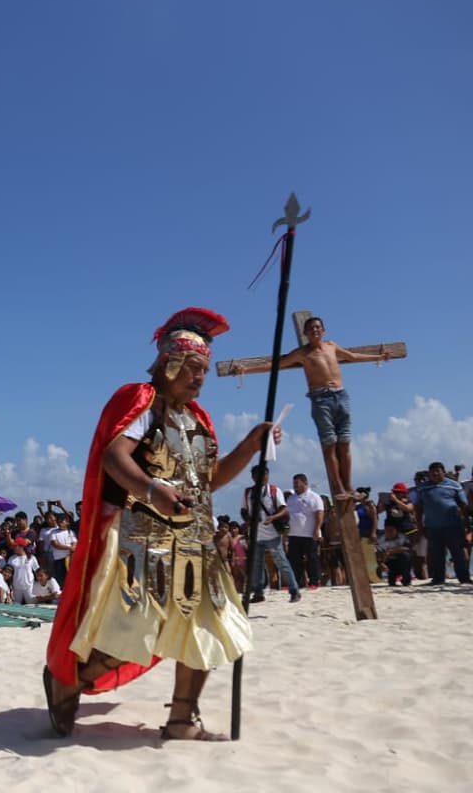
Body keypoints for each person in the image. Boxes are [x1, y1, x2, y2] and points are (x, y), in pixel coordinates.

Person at [43, 307, 279, 741]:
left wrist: (250, 445)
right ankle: (68, 680)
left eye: (204, 370)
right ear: (169, 362)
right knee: (135, 631)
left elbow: (209, 480)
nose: (199, 377)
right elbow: (113, 456)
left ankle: (182, 719)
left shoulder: (199, 420)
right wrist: (152, 490)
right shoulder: (141, 401)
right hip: (142, 535)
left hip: (194, 538)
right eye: (192, 368)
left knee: (207, 625)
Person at [240, 316, 388, 499]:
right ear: (306, 333)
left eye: (318, 327)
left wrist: (378, 357)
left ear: (323, 330)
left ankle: (348, 486)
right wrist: (246, 370)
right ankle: (338, 488)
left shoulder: (331, 346)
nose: (315, 331)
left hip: (341, 395)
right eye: (311, 329)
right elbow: (275, 365)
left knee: (345, 443)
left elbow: (352, 356)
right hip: (321, 399)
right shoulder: (302, 353)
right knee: (329, 444)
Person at [242, 466, 300, 603]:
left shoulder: (274, 490)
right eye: (259, 475)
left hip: (272, 534)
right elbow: (243, 510)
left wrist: (273, 518)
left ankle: (294, 590)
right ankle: (258, 593)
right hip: (256, 535)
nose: (262, 477)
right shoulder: (248, 492)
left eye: (265, 474)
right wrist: (248, 520)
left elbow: (284, 509)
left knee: (281, 562)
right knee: (256, 565)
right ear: (253, 477)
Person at [412, 462, 471, 585]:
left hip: (453, 525)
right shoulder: (422, 488)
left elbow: (464, 506)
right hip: (432, 526)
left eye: (438, 471)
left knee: (458, 553)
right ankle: (438, 579)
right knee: (436, 554)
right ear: (429, 473)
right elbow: (418, 509)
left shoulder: (455, 486)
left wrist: (466, 525)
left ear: (443, 472)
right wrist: (420, 526)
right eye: (432, 472)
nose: (435, 474)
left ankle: (464, 578)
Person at [285, 473, 325, 590]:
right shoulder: (291, 498)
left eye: (297, 483)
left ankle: (314, 581)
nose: (295, 486)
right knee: (294, 559)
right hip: (294, 534)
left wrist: (317, 530)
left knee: (312, 558)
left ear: (304, 483)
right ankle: (296, 582)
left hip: (309, 534)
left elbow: (319, 514)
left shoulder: (314, 497)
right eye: (294, 483)